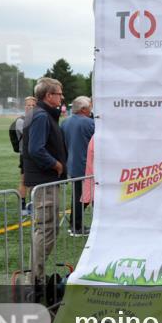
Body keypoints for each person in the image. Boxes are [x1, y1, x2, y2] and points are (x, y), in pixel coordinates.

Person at [21, 78, 68, 294]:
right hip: (44, 182)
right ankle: (35, 280)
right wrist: (56, 164)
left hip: (46, 181)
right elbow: (36, 149)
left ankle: (36, 277)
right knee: (45, 230)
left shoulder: (42, 115)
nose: (62, 97)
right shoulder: (40, 116)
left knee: (48, 229)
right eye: (59, 94)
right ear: (49, 96)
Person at [60, 96, 94, 236]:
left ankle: (75, 225)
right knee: (84, 197)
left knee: (78, 196)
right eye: (90, 106)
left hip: (73, 164)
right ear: (84, 109)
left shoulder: (65, 122)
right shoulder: (90, 123)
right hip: (86, 166)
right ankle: (76, 226)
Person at [10, 96, 37, 215]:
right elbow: (31, 136)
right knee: (24, 181)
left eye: (33, 105)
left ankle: (33, 204)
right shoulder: (21, 121)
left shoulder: (37, 118)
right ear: (24, 107)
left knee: (35, 182)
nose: (30, 107)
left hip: (36, 154)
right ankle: (22, 206)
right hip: (26, 155)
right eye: (28, 105)